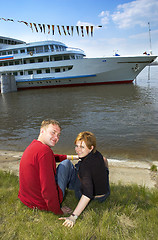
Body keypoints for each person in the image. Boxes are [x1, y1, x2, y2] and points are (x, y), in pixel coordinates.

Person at [18, 119, 79, 215]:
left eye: (58, 135)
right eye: (53, 132)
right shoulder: (45, 152)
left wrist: (72, 157)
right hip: (41, 203)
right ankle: (81, 189)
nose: (56, 137)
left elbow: (52, 157)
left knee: (66, 161)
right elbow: (47, 187)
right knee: (67, 164)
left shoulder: (34, 146)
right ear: (42, 131)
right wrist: (57, 210)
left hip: (27, 199)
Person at [59, 131, 110, 228]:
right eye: (77, 146)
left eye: (82, 147)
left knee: (66, 164)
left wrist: (73, 217)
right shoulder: (97, 154)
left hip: (92, 196)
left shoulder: (85, 168)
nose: (78, 150)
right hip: (105, 193)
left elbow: (87, 194)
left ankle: (58, 199)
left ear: (90, 148)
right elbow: (105, 160)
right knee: (75, 164)